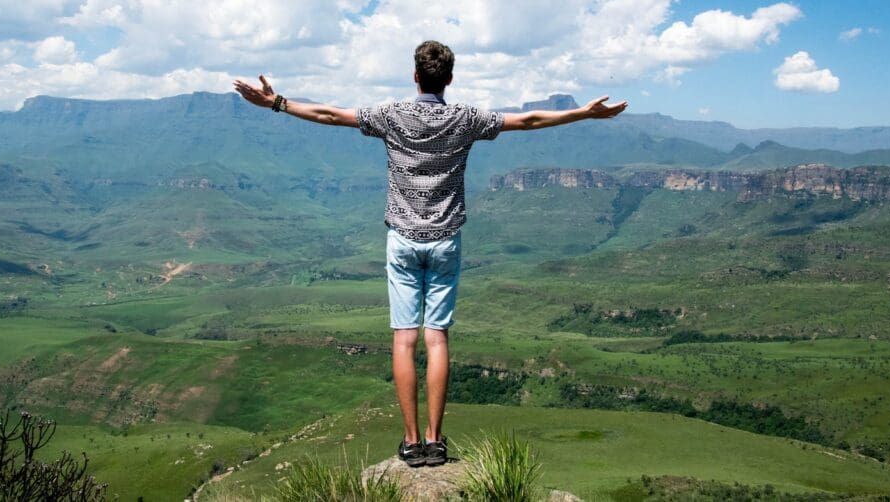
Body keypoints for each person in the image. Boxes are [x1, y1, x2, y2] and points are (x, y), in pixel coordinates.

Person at [233, 40, 627, 467]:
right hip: (445, 241)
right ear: (450, 79)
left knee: (404, 339)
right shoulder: (466, 118)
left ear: (415, 76)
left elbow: (330, 115)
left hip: (402, 239)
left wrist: (277, 103)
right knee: (436, 337)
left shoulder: (391, 115)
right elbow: (529, 120)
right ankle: (437, 442)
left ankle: (410, 441)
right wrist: (584, 113)